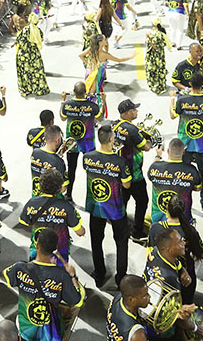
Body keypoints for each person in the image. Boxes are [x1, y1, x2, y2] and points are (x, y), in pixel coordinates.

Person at [3, 228, 84, 341]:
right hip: (50, 333)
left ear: (37, 246)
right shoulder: (61, 275)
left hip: (26, 329)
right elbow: (78, 301)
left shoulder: (20, 268)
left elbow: (6, 275)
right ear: (55, 248)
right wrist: (72, 276)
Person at [83, 123, 131, 287]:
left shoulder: (87, 157)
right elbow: (126, 185)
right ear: (112, 139)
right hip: (115, 208)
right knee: (121, 242)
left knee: (96, 241)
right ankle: (121, 277)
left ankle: (99, 274)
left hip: (96, 206)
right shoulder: (120, 161)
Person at [169, 74, 203, 210]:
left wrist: (173, 98)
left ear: (190, 83)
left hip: (184, 144)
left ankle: (181, 201)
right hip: (202, 144)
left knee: (183, 173)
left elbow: (173, 115)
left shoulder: (182, 100)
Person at [19, 168, 85, 262]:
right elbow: (80, 232)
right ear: (59, 188)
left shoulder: (32, 203)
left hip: (37, 252)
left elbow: (25, 221)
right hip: (59, 255)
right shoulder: (66, 206)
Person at [143, 227, 196, 338]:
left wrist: (182, 270)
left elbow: (175, 262)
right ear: (168, 249)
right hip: (160, 327)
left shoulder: (156, 251)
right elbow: (175, 316)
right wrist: (195, 328)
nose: (184, 243)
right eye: (179, 242)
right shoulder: (169, 280)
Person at [113, 99, 153, 241]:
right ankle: (137, 232)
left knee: (122, 201)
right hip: (134, 174)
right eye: (134, 110)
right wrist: (150, 141)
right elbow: (146, 147)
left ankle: (119, 226)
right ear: (128, 113)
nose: (136, 111)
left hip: (117, 173)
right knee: (142, 201)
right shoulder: (132, 130)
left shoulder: (113, 125)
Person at [59, 82, 100, 201]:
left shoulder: (67, 104)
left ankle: (69, 194)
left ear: (73, 91)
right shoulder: (92, 106)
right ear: (85, 92)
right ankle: (94, 196)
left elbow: (62, 118)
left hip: (72, 142)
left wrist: (62, 100)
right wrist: (103, 101)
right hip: (88, 141)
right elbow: (100, 117)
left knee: (71, 168)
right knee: (92, 168)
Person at [147, 137, 201, 223]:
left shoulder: (155, 167)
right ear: (183, 152)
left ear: (168, 150)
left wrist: (158, 156)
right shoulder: (192, 170)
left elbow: (151, 176)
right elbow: (198, 188)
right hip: (183, 219)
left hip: (158, 218)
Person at [13, 14, 50, 97]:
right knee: (36, 71)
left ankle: (26, 89)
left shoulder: (25, 30)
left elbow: (20, 40)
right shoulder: (38, 30)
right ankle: (39, 89)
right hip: (34, 53)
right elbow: (41, 39)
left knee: (24, 72)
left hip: (24, 54)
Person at [107, 275, 150, 341]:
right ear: (131, 299)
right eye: (145, 296)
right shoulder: (137, 335)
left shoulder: (117, 298)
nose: (149, 297)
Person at [30, 126, 67, 196]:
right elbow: (63, 189)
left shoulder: (35, 152)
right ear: (57, 140)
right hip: (52, 202)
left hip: (36, 196)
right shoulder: (58, 162)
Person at [145, 19, 171, 94]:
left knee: (155, 71)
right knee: (158, 71)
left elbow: (156, 47)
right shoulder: (157, 33)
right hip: (155, 56)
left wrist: (148, 39)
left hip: (155, 57)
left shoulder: (158, 34)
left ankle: (157, 87)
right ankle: (160, 86)